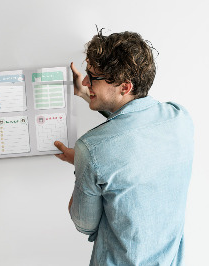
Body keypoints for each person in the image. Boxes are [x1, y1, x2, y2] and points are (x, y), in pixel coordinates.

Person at [54, 30, 194, 265]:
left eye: (93, 77)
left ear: (125, 87)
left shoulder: (91, 149)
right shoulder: (180, 118)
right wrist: (87, 95)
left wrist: (82, 162)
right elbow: (134, 123)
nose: (86, 81)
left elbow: (84, 224)